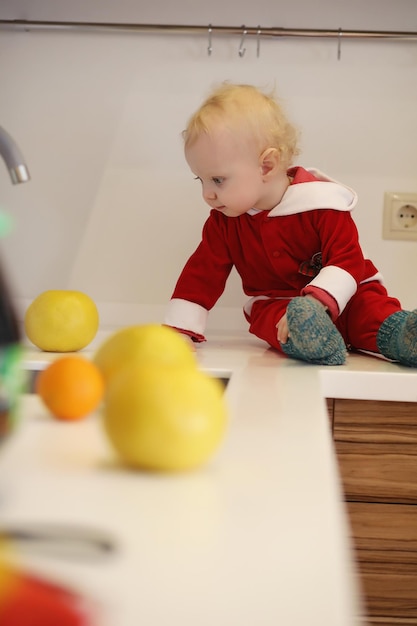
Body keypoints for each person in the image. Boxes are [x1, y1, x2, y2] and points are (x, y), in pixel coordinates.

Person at [164, 83, 417, 367]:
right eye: (202, 180)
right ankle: (310, 340)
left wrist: (317, 300)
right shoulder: (224, 223)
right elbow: (202, 274)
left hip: (351, 295)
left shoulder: (322, 203)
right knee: (275, 322)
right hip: (277, 304)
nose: (207, 194)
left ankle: (403, 335)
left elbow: (348, 262)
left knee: (371, 312)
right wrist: (180, 329)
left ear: (266, 166)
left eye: (218, 180)